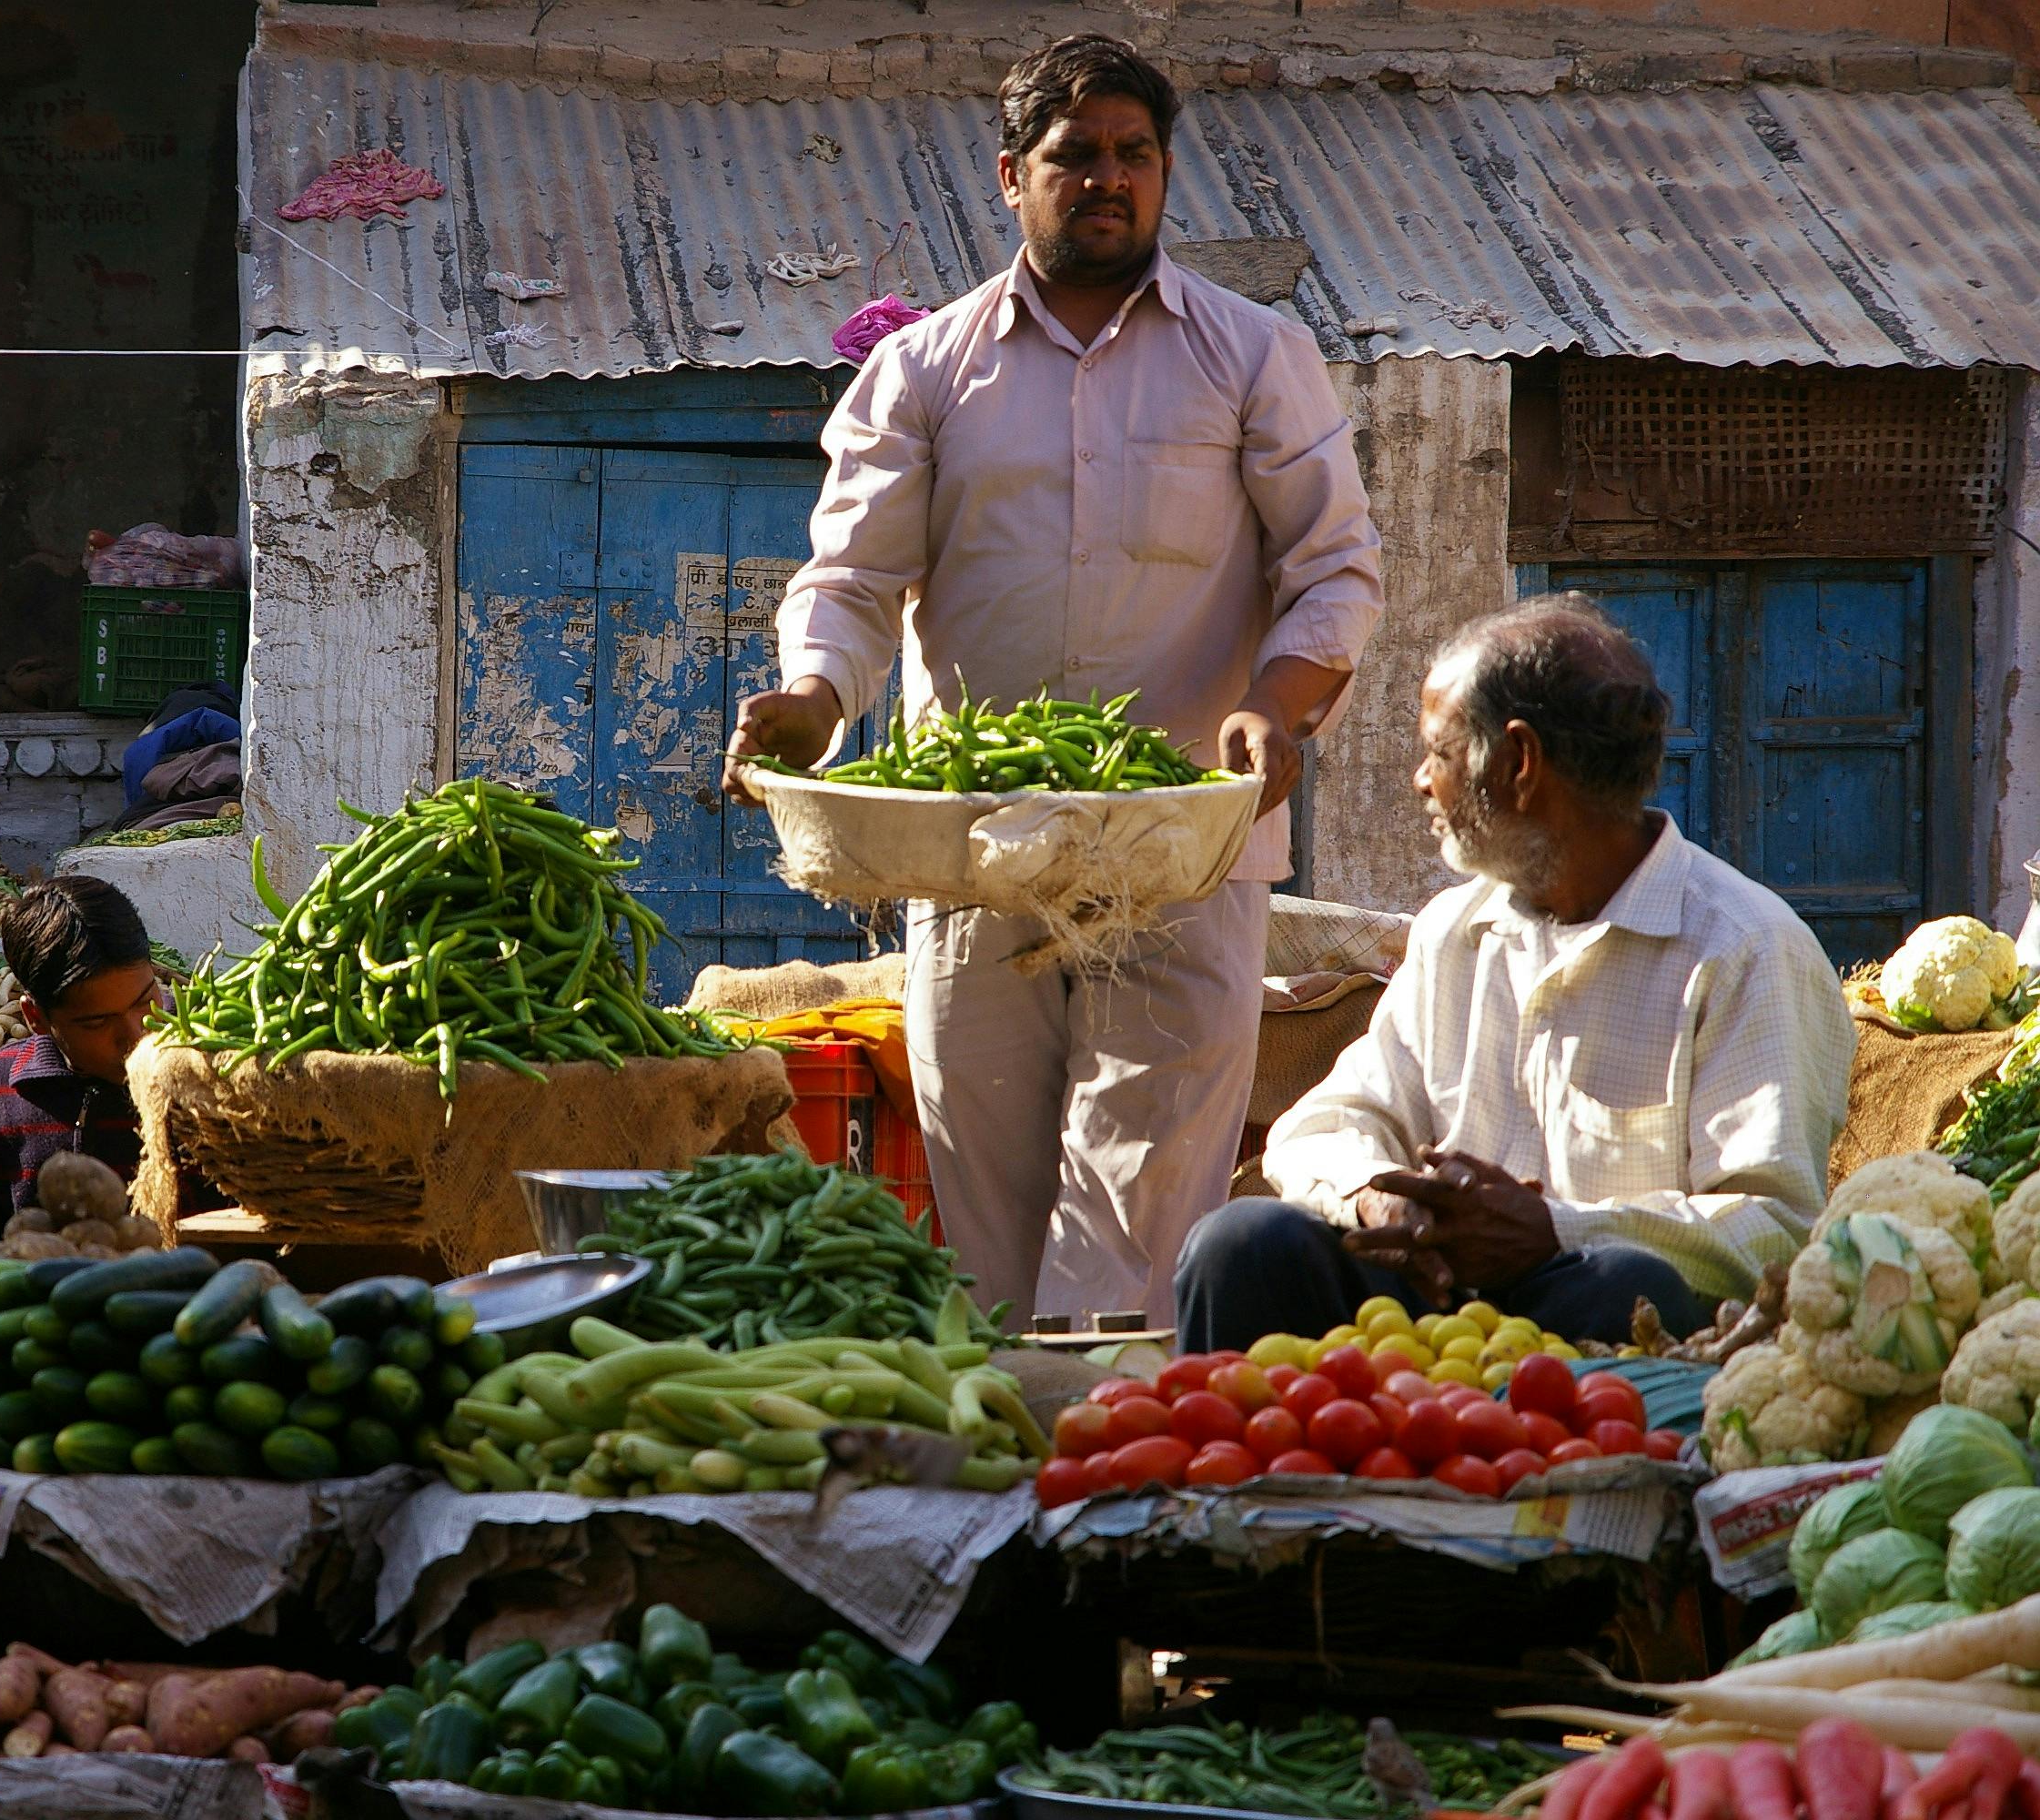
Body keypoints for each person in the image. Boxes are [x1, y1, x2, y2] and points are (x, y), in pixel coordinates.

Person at [724, 35, 1385, 1326]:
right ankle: (1019, 1476)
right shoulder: (920, 371)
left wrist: (1279, 703)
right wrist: (813, 696)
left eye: (1134, 155)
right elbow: (854, 583)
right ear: (1011, 176)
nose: (1108, 179)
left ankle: (1120, 1465)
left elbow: (1335, 571)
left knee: (1143, 1202)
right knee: (989, 1200)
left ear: (1165, 173)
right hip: (977, 852)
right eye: (1074, 156)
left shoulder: (1253, 357)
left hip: (1186, 845)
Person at [1174, 599, 1857, 1351]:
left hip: (1594, 1321)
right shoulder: (1456, 931)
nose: (1419, 782)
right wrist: (1374, 1197)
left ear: (1519, 762)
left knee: (1632, 1284)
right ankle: (1243, 1463)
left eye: (1437, 752)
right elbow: (1330, 1122)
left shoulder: (1744, 949)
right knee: (1242, 1245)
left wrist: (1555, 1230)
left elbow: (1776, 1232)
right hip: (1434, 1300)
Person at [0, 875, 166, 1236]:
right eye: (97, 1022)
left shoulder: (215, 1080)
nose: (136, 1035)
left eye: (146, 1001)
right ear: (36, 1018)